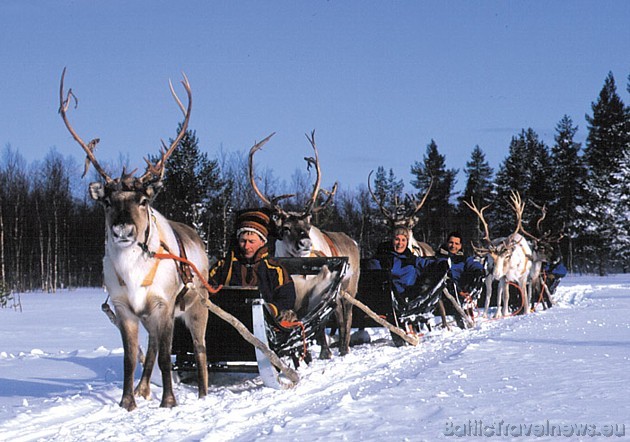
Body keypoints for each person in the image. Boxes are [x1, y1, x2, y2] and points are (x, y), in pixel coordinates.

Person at [209, 209, 297, 321]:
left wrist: (272, 310)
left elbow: (286, 298)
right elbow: (208, 290)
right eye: (243, 241)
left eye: (251, 242)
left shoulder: (275, 270)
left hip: (264, 323)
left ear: (262, 242)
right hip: (226, 323)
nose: (246, 246)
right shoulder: (223, 266)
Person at [369, 227, 448, 299]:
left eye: (403, 240)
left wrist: (442, 262)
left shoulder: (410, 258)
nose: (400, 243)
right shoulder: (382, 258)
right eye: (397, 239)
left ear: (407, 242)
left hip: (411, 297)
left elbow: (426, 263)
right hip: (390, 298)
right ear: (392, 240)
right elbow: (375, 277)